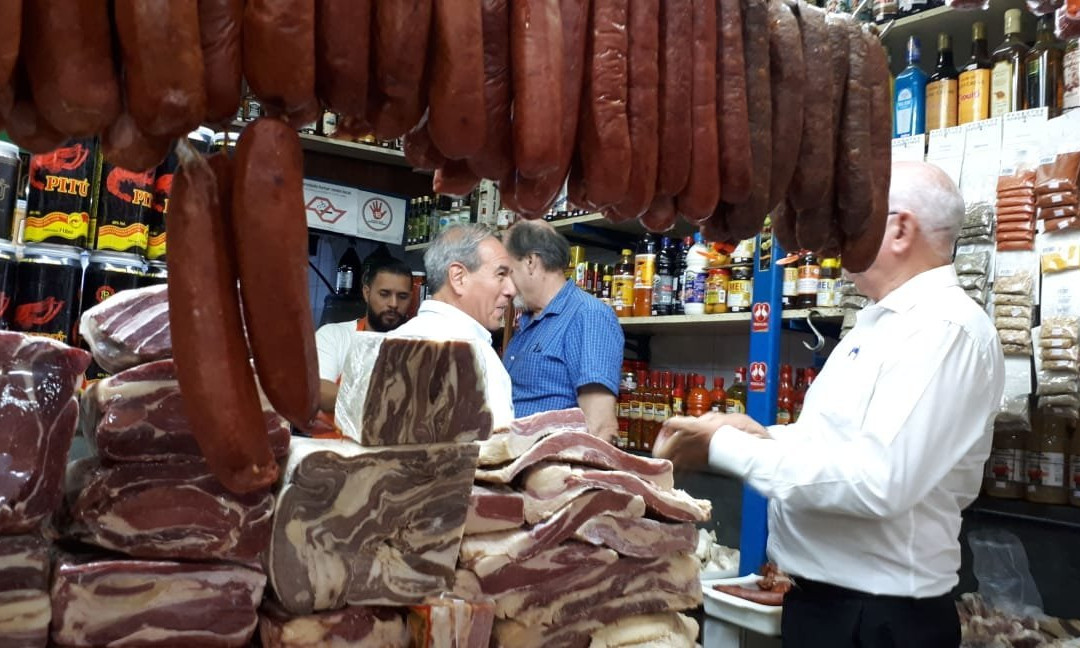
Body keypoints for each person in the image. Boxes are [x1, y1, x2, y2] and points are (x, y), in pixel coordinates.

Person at [654, 161, 1005, 648]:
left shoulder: (945, 329)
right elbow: (838, 445)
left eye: (852, 217)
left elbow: (877, 481)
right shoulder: (879, 324)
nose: (836, 235)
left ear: (900, 228)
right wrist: (764, 436)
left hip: (879, 621)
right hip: (828, 607)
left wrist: (724, 449)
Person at [503, 220, 623, 442]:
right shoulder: (528, 321)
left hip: (554, 469)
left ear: (530, 262)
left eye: (509, 271)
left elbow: (601, 427)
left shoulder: (587, 315)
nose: (507, 287)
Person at [390, 223, 517, 429]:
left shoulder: (390, 342)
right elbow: (494, 452)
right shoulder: (476, 355)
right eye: (500, 274)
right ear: (458, 277)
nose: (511, 290)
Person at [315, 259, 413, 414]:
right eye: (384, 294)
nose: (393, 304)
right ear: (366, 293)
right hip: (334, 437)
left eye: (402, 296)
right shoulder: (333, 336)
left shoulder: (418, 345)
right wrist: (382, 402)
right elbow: (320, 392)